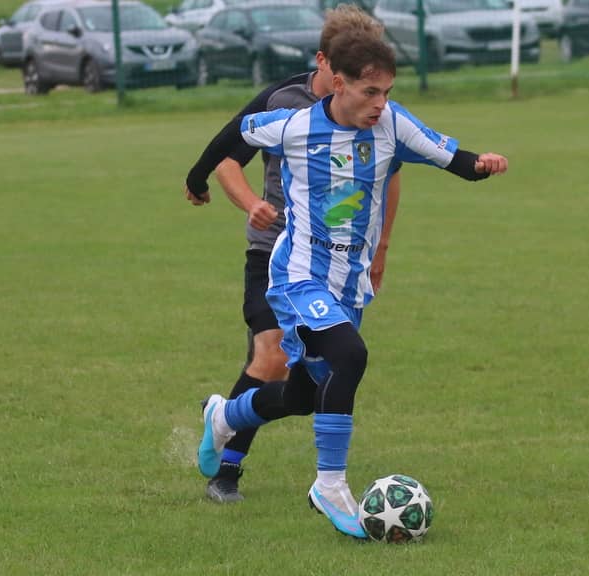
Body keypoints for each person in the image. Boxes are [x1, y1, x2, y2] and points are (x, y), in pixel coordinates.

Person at [197, 30, 508, 538]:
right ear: (338, 83)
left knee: (301, 397)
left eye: (386, 92)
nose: (380, 103)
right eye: (370, 92)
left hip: (348, 285)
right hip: (298, 275)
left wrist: (483, 164)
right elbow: (232, 137)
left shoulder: (392, 123)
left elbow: (454, 160)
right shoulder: (294, 125)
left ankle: (225, 417)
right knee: (351, 355)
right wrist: (197, 179)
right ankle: (330, 485)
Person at [183, 5, 403, 503]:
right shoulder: (284, 100)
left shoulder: (374, 108)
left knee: (305, 388)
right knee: (271, 354)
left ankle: (223, 417)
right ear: (325, 61)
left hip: (339, 263)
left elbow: (389, 176)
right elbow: (228, 158)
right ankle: (227, 472)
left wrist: (381, 247)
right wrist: (251, 203)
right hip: (277, 253)